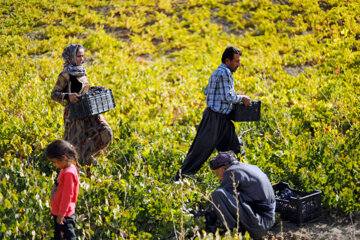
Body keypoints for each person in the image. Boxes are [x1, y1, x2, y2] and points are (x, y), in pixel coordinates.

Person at [174, 46, 251, 180]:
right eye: (236, 61)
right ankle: (179, 179)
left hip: (222, 119)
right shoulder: (224, 73)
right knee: (200, 152)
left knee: (234, 149)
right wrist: (242, 98)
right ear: (227, 61)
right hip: (214, 119)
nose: (239, 65)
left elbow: (207, 91)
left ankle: (236, 179)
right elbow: (227, 97)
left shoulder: (219, 72)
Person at [51, 43, 113, 166]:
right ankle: (78, 169)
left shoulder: (81, 71)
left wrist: (95, 89)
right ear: (71, 57)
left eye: (83, 56)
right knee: (74, 146)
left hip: (88, 111)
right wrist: (68, 96)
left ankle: (86, 156)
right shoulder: (66, 74)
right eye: (79, 56)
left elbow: (84, 90)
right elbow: (54, 94)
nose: (82, 59)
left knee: (106, 132)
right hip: (74, 114)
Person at [205, 151, 275, 239]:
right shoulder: (250, 167)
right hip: (268, 221)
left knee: (217, 194)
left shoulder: (231, 172)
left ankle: (235, 233)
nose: (219, 178)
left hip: (258, 225)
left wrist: (207, 215)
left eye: (217, 174)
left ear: (224, 168)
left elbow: (221, 200)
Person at [46, 140, 80, 240]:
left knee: (69, 237)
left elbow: (67, 196)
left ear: (63, 157)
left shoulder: (69, 173)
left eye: (54, 162)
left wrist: (61, 214)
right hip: (60, 213)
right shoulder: (65, 169)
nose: (54, 165)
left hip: (65, 216)